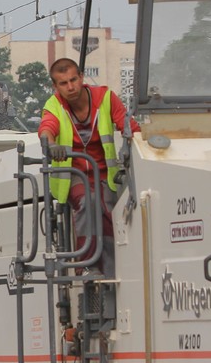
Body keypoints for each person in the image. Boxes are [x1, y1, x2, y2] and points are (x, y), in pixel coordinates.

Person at [38, 58, 139, 277]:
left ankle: (113, 268)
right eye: (63, 83)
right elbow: (47, 128)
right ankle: (87, 265)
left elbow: (128, 126)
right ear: (55, 87)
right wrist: (51, 145)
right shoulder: (54, 106)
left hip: (105, 173)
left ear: (82, 77)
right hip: (74, 175)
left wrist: (139, 139)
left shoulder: (105, 99)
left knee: (108, 208)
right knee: (87, 202)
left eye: (74, 79)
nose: (71, 87)